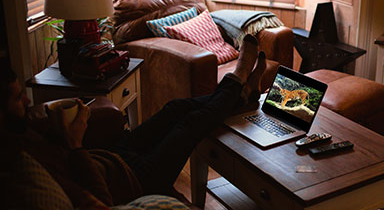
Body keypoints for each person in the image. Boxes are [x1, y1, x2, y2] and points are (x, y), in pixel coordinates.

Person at [0, 35, 267, 207]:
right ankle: (239, 78)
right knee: (191, 123)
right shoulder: (23, 176)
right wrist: (74, 145)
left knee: (175, 108)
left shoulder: (18, 136)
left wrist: (62, 133)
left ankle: (241, 94)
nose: (26, 102)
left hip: (115, 156)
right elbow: (101, 200)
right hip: (139, 179)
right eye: (16, 98)